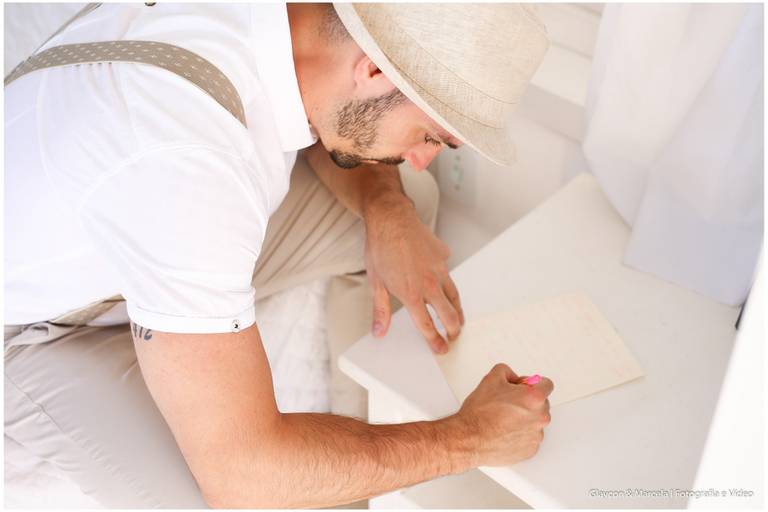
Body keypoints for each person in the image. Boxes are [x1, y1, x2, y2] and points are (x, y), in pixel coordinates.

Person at [4, 3, 553, 508]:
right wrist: (469, 438)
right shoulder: (186, 161)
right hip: (38, 329)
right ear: (374, 70)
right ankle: (343, 472)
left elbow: (336, 118)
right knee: (231, 497)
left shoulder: (292, 30)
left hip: (125, 236)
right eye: (431, 135)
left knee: (404, 209)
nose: (420, 158)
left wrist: (387, 209)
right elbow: (245, 474)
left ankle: (358, 445)